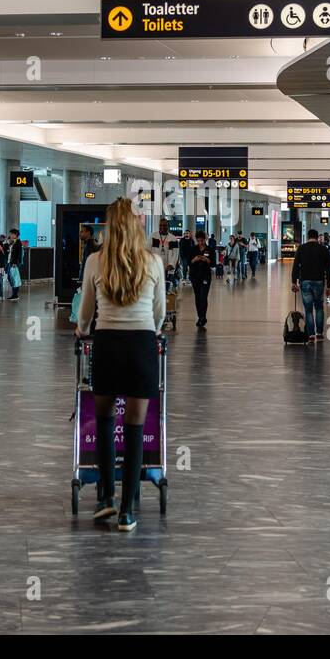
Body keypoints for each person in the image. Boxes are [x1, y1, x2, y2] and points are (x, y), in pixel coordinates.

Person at [74, 198, 165, 533]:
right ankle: (127, 512)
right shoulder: (153, 262)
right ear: (138, 224)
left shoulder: (95, 261)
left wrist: (82, 329)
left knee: (104, 420)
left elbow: (86, 310)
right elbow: (159, 312)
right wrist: (152, 329)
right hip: (142, 347)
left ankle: (106, 497)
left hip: (107, 345)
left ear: (110, 227)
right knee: (135, 428)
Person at [292, 229, 330, 343]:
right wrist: (329, 285)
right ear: (317, 237)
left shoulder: (301, 248)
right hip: (319, 281)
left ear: (308, 237)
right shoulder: (323, 249)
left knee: (308, 309)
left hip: (305, 281)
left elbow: (296, 266)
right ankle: (319, 334)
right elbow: (329, 269)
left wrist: (294, 282)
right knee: (319, 307)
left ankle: (311, 335)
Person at [179, 230, 215, 329]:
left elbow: (213, 264)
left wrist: (206, 260)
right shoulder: (193, 249)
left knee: (203, 296)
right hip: (195, 276)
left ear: (205, 239)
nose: (200, 243)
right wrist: (194, 260)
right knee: (197, 297)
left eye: (202, 240)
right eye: (198, 241)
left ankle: (203, 316)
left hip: (205, 275)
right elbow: (188, 263)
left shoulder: (210, 250)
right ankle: (200, 317)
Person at [1, 229, 22, 301]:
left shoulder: (18, 242)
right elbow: (6, 250)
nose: (10, 235)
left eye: (11, 234)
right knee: (11, 278)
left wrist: (15, 263)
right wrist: (7, 243)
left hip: (14, 263)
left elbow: (19, 254)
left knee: (14, 278)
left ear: (15, 234)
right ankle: (14, 294)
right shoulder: (12, 242)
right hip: (9, 262)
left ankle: (15, 294)